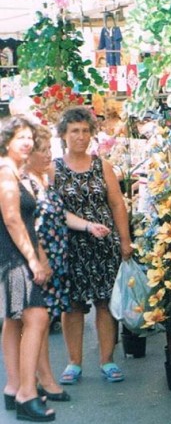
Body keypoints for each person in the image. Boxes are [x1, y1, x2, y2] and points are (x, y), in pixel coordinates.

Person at [53, 107, 133, 385]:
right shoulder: (54, 168)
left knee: (105, 303)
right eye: (74, 131)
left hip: (103, 244)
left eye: (86, 130)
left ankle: (107, 360)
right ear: (63, 134)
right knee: (72, 305)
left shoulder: (102, 165)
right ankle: (74, 362)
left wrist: (124, 240)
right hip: (70, 246)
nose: (81, 136)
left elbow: (117, 205)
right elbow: (52, 210)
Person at [0, 116, 55, 421]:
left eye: (29, 137)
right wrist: (33, 260)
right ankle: (26, 393)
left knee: (14, 320)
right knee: (37, 317)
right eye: (20, 137)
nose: (27, 142)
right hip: (14, 257)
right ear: (7, 140)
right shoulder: (6, 174)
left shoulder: (12, 172)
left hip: (10, 255)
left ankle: (13, 387)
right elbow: (12, 219)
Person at [23, 125, 82, 403]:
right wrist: (41, 260)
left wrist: (88, 225)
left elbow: (61, 215)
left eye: (49, 149)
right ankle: (44, 379)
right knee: (40, 321)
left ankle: (40, 377)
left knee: (44, 320)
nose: (49, 155)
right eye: (42, 150)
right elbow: (30, 226)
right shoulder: (27, 182)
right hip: (42, 259)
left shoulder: (42, 179)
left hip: (55, 258)